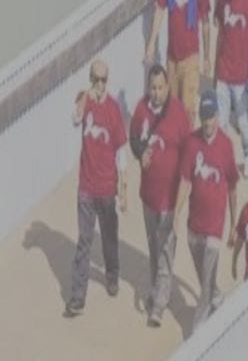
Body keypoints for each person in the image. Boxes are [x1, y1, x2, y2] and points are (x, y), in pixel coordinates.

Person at [66, 59, 127, 318]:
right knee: (84, 241)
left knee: (109, 237)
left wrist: (123, 188)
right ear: (90, 79)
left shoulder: (113, 109)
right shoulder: (85, 99)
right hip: (87, 187)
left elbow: (121, 150)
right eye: (96, 79)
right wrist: (86, 98)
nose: (100, 85)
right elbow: (74, 119)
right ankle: (77, 297)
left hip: (107, 187)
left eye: (104, 80)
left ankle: (112, 273)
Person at [130, 64, 190, 327]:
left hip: (169, 200)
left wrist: (183, 198)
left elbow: (188, 152)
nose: (156, 93)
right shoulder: (141, 110)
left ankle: (158, 306)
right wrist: (140, 152)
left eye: (160, 88)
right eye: (152, 88)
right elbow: (134, 138)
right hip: (148, 198)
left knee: (165, 252)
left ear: (167, 87)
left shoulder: (178, 113)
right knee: (154, 249)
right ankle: (157, 289)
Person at [179, 91, 240, 334]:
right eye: (203, 117)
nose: (206, 122)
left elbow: (233, 187)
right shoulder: (191, 142)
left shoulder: (226, 145)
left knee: (204, 280)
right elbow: (185, 180)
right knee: (203, 274)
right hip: (195, 223)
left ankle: (198, 329)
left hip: (215, 225)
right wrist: (176, 214)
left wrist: (234, 224)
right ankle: (216, 296)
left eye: (210, 117)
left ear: (217, 116)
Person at [146, 0, 209, 107]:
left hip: (191, 56)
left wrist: (207, 57)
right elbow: (160, 9)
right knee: (172, 106)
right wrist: (151, 43)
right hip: (172, 56)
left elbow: (205, 22)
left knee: (188, 108)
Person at [212, 0, 248, 167]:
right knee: (221, 121)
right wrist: (215, 69)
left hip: (241, 74)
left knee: (241, 120)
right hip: (224, 71)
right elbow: (221, 35)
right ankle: (222, 159)